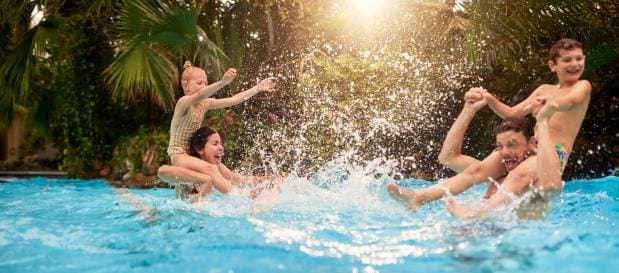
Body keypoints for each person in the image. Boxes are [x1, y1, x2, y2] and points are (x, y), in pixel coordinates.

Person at [390, 38, 591, 217]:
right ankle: (419, 197)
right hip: (528, 147)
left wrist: (553, 105)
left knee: (517, 176)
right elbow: (513, 114)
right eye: (567, 60)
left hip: (550, 153)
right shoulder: (544, 90)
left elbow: (570, 101)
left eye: (578, 59)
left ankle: (476, 213)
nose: (574, 64)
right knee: (477, 170)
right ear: (552, 65)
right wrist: (489, 99)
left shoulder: (582, 86)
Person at [159, 61, 275, 195]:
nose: (203, 87)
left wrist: (258, 88)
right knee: (211, 169)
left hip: (194, 155)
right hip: (180, 156)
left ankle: (269, 184)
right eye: (199, 83)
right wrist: (222, 82)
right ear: (185, 85)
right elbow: (200, 95)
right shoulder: (183, 103)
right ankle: (241, 198)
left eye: (205, 83)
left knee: (230, 176)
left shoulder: (205, 104)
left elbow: (233, 100)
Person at [158, 127, 282, 202]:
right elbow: (162, 171)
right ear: (199, 149)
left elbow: (237, 179)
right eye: (215, 144)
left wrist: (266, 181)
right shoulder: (193, 167)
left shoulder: (216, 166)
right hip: (182, 218)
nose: (221, 148)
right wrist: (204, 179)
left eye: (221, 144)